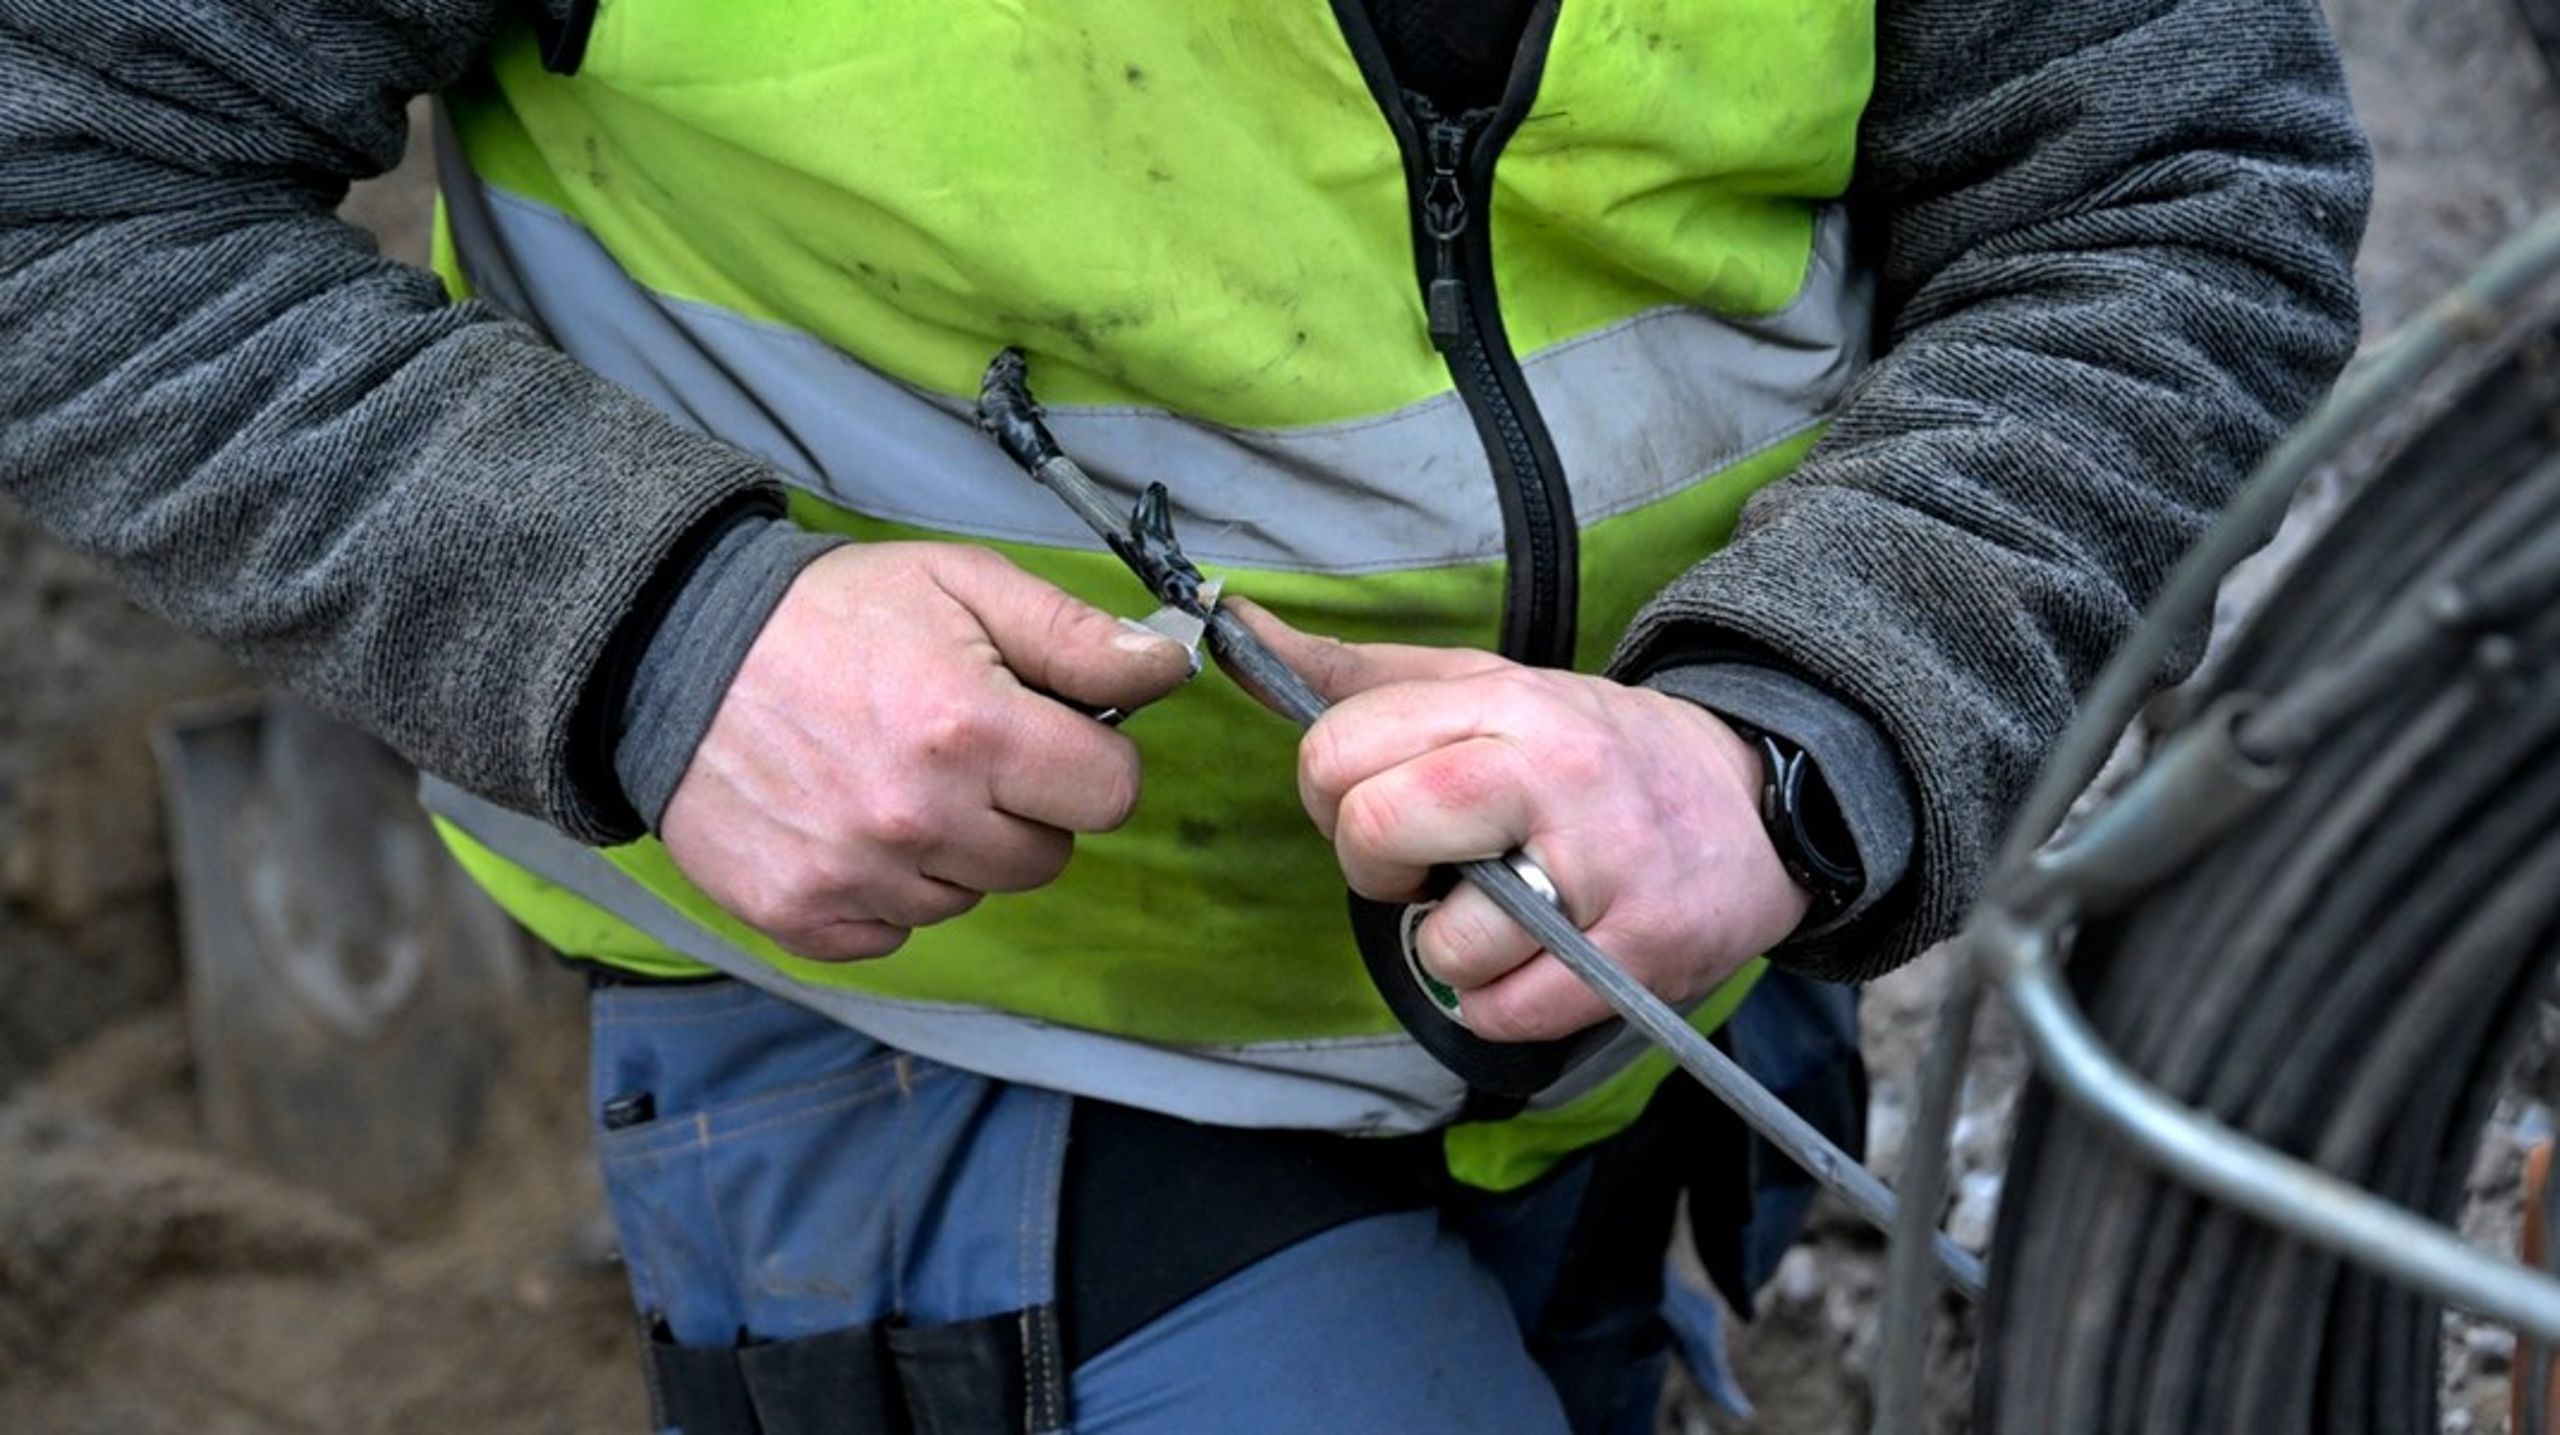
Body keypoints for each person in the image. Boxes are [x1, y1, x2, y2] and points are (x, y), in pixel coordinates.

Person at [0, 0, 2367, 1429]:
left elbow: (2170, 192)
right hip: (958, 1038)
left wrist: (1801, 719)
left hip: (1658, 983)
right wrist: (651, 628)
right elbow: (58, 174)